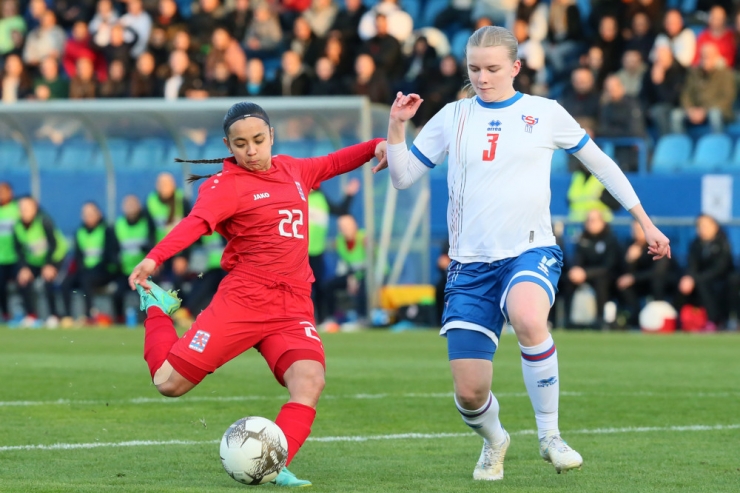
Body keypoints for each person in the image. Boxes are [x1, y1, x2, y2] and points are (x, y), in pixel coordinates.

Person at [381, 26, 671, 480]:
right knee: (471, 394)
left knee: (530, 317)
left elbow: (601, 164)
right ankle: (495, 441)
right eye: (474, 68)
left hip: (529, 250)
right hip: (469, 266)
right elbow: (402, 177)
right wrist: (397, 126)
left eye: (493, 68)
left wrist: (644, 220)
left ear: (515, 68)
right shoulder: (452, 116)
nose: (482, 77)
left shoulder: (545, 113)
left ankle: (550, 436)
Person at [127, 101, 387, 486]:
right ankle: (157, 307)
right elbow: (195, 223)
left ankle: (274, 466)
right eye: (241, 144)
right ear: (228, 145)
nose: (251, 151)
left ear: (271, 137)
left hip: (293, 304)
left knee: (309, 380)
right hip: (244, 301)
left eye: (258, 140)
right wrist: (154, 258)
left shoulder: (295, 170)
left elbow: (334, 162)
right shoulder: (223, 186)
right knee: (168, 383)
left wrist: (376, 145)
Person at [308, 178, 360, 323]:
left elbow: (341, 210)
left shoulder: (321, 198)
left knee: (319, 287)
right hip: (298, 252)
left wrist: (349, 195)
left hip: (317, 252)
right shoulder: (297, 197)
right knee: (299, 288)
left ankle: (322, 319)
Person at [13, 196, 68, 328]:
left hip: (54, 257)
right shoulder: (17, 226)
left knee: (48, 280)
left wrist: (49, 264)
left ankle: (54, 316)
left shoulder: (44, 221)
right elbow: (18, 249)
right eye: (21, 208)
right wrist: (23, 268)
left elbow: (53, 244)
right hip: (34, 260)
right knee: (23, 280)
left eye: (27, 208)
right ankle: (31, 315)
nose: (24, 211)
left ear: (34, 208)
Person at [565, 209, 623, 328]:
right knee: (568, 279)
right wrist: (576, 271)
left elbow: (608, 267)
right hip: (585, 276)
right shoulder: (582, 239)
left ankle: (600, 320)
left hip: (608, 278)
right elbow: (577, 259)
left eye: (593, 220)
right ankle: (568, 320)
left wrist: (586, 273)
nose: (590, 223)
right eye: (588, 220)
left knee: (601, 281)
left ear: (602, 222)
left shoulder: (610, 239)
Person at [675, 214, 733, 330]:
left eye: (705, 226)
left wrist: (696, 278)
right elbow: (692, 265)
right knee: (683, 282)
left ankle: (713, 321)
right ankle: (678, 320)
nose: (702, 229)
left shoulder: (723, 243)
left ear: (715, 226)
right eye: (699, 226)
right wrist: (689, 278)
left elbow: (720, 268)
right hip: (699, 280)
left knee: (703, 284)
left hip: (719, 280)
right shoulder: (695, 244)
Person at [60, 202, 116, 324]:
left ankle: (89, 315)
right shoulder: (79, 232)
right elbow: (78, 257)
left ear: (98, 214)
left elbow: (110, 256)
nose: (88, 217)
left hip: (103, 271)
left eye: (91, 213)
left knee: (87, 280)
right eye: (85, 214)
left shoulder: (107, 230)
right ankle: (67, 316)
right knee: (66, 283)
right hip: (85, 271)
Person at [616, 220, 678, 328]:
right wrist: (629, 261)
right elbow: (624, 273)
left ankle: (660, 320)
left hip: (664, 283)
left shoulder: (660, 243)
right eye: (634, 230)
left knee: (657, 282)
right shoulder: (630, 246)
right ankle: (634, 319)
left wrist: (634, 278)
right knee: (623, 285)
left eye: (640, 229)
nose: (637, 233)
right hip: (641, 283)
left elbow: (658, 272)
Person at [112, 195, 155, 324]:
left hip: (144, 272)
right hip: (126, 271)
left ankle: (148, 321)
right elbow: (113, 249)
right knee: (117, 294)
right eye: (127, 204)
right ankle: (119, 321)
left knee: (145, 295)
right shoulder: (118, 224)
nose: (130, 208)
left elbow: (152, 244)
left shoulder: (146, 223)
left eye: (133, 204)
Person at [323, 214, 367, 325]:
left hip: (370, 275)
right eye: (341, 226)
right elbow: (347, 263)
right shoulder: (340, 241)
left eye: (347, 225)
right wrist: (350, 278)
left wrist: (355, 278)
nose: (344, 229)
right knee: (328, 285)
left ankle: (362, 318)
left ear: (355, 225)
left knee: (363, 286)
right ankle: (330, 319)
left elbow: (371, 263)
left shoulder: (364, 238)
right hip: (352, 275)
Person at [0, 182, 20, 322]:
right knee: (1, 287)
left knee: (23, 284)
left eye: (4, 192)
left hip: (16, 257)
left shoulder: (17, 209)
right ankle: (6, 314)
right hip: (1, 258)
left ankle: (25, 313)